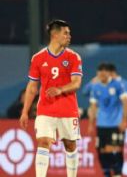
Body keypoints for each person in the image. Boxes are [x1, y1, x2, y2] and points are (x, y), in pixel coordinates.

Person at [19, 19, 82, 177]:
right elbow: (32, 87)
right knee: (43, 141)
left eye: (69, 33)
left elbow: (76, 83)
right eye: (65, 33)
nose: (69, 36)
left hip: (68, 109)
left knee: (70, 145)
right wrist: (25, 111)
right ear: (54, 35)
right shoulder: (38, 58)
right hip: (46, 109)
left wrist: (60, 89)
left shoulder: (74, 57)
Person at [88, 63, 127, 177]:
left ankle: (117, 173)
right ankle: (107, 173)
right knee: (101, 150)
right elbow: (93, 106)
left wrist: (124, 121)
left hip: (115, 123)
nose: (102, 74)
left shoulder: (118, 85)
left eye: (105, 71)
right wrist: (91, 123)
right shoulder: (95, 86)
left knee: (111, 149)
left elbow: (125, 103)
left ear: (109, 73)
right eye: (100, 71)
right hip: (101, 124)